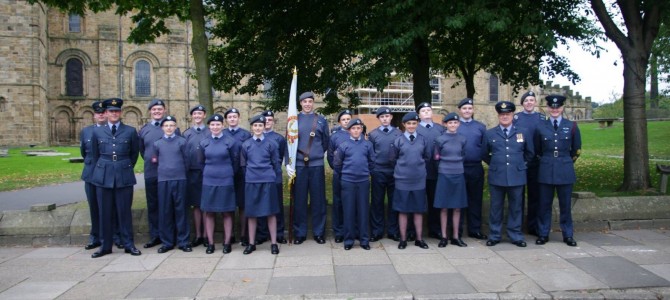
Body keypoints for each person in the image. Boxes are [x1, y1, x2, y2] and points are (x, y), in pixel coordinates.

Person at [89, 98, 142, 258]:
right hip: (103, 175)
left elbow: (134, 154)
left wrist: (122, 166)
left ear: (120, 112)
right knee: (104, 212)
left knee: (124, 211)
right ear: (106, 113)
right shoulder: (97, 131)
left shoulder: (130, 131)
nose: (114, 114)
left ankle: (128, 244)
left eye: (117, 111)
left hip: (123, 174)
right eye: (111, 111)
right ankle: (105, 246)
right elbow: (94, 154)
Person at [482, 101, 534, 248]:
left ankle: (516, 235)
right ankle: (494, 235)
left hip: (516, 175)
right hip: (497, 176)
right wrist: (495, 164)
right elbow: (484, 154)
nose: (505, 117)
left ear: (512, 115)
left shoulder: (522, 132)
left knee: (516, 207)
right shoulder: (490, 133)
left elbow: (530, 153)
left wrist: (521, 165)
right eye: (502, 114)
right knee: (495, 207)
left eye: (508, 114)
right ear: (498, 115)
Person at [535, 95, 582, 247]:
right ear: (548, 108)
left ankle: (568, 235)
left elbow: (576, 149)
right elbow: (537, 150)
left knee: (565, 205)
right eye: (552, 107)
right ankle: (543, 233)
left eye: (558, 107)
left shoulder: (572, 125)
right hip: (546, 169)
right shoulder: (541, 126)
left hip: (565, 169)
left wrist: (566, 161)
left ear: (562, 108)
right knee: (544, 205)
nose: (555, 110)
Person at [285, 91, 329, 244]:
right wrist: (289, 163)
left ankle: (319, 232)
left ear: (313, 103)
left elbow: (325, 142)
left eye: (310, 101)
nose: (308, 104)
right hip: (299, 165)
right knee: (300, 201)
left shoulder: (321, 120)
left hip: (316, 165)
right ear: (300, 104)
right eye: (305, 102)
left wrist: (315, 154)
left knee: (318, 200)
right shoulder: (293, 120)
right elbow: (288, 142)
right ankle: (300, 233)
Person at [80, 101, 122, 250]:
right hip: (91, 175)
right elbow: (84, 153)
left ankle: (116, 235)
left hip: (109, 174)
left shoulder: (113, 130)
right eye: (98, 113)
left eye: (104, 112)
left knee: (113, 206)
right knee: (94, 207)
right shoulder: (86, 131)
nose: (101, 115)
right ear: (94, 115)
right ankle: (95, 236)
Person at [139, 98, 179, 249]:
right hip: (152, 173)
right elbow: (143, 151)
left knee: (170, 205)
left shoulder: (172, 128)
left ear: (164, 111)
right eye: (154, 109)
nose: (157, 111)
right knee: (153, 205)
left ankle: (171, 235)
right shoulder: (144, 130)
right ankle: (155, 236)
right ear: (150, 111)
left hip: (170, 174)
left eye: (160, 109)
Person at [199, 114, 240, 254]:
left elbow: (235, 161)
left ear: (223, 125)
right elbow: (201, 162)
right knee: (209, 212)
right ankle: (210, 243)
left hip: (226, 180)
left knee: (227, 212)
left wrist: (227, 173)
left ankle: (227, 242)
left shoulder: (230, 142)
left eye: (218, 124)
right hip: (209, 181)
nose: (215, 127)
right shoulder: (204, 142)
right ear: (209, 126)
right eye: (212, 124)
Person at [240, 115, 281, 255]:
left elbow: (276, 163)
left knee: (271, 212)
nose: (258, 128)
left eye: (260, 126)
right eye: (255, 126)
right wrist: (252, 176)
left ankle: (274, 243)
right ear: (252, 127)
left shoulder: (271, 144)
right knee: (251, 213)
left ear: (264, 127)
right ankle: (251, 243)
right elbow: (243, 165)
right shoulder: (246, 145)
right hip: (252, 181)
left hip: (267, 180)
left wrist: (271, 177)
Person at [150, 115, 192, 253]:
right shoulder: (157, 143)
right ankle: (167, 242)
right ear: (162, 128)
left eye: (172, 125)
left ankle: (183, 241)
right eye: (166, 125)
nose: (169, 128)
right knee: (165, 211)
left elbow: (187, 161)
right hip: (164, 181)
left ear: (175, 127)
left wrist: (180, 174)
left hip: (180, 179)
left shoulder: (182, 142)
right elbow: (155, 161)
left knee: (181, 211)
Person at [390, 112, 431, 250]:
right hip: (402, 180)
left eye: (414, 123)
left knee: (418, 210)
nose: (411, 126)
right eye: (409, 123)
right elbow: (393, 159)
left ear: (417, 124)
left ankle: (419, 239)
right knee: (403, 210)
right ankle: (403, 239)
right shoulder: (398, 140)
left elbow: (427, 156)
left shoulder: (423, 140)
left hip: (418, 180)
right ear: (404, 125)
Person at [333, 118, 376, 250]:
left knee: (363, 210)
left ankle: (364, 240)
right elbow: (337, 164)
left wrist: (365, 173)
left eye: (358, 128)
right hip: (348, 182)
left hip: (363, 181)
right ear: (349, 130)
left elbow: (372, 162)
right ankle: (349, 240)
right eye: (353, 128)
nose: (356, 131)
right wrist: (347, 175)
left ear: (361, 129)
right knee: (348, 211)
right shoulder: (344, 145)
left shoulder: (368, 145)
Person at [433, 112, 468, 247]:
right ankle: (444, 236)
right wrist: (444, 169)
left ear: (458, 124)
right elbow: (436, 158)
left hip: (458, 174)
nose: (453, 125)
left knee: (457, 207)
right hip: (444, 174)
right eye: (450, 123)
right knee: (443, 207)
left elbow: (463, 155)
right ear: (445, 124)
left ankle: (455, 236)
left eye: (455, 122)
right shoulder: (440, 139)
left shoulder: (462, 139)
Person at [368, 106, 402, 242]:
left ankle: (393, 231)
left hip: (394, 172)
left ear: (391, 117)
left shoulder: (399, 134)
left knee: (394, 202)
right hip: (378, 172)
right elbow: (370, 154)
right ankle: (377, 231)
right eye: (382, 117)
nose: (385, 119)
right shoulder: (373, 134)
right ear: (379, 119)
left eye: (387, 116)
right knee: (377, 202)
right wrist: (373, 169)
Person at [456, 98, 488, 240]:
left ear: (473, 110)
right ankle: (457, 230)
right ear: (460, 111)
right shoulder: (454, 126)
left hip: (475, 167)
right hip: (458, 168)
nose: (467, 111)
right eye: (464, 108)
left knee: (475, 200)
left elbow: (485, 147)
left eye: (469, 108)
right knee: (459, 200)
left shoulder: (480, 127)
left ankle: (475, 229)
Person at [513, 91, 545, 236]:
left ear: (535, 102)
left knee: (535, 195)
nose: (529, 102)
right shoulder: (516, 118)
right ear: (522, 103)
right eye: (526, 100)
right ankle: (517, 226)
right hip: (520, 161)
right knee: (518, 196)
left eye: (532, 100)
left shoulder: (542, 118)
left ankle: (533, 226)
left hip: (536, 162)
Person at [255, 110, 288, 245]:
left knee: (276, 205)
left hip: (274, 176)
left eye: (270, 119)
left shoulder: (279, 139)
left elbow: (280, 158)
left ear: (273, 121)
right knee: (261, 204)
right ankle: (262, 233)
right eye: (265, 120)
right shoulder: (256, 138)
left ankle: (279, 233)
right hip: (260, 177)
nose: (267, 122)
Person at [222, 107, 252, 246]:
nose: (232, 119)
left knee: (243, 204)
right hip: (226, 174)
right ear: (226, 120)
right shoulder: (221, 134)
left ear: (239, 118)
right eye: (230, 117)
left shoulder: (245, 134)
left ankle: (244, 234)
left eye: (235, 116)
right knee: (228, 205)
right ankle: (230, 235)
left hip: (241, 173)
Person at [415, 102, 444, 240]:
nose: (426, 112)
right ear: (419, 115)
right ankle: (415, 230)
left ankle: (435, 229)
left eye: (428, 110)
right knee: (418, 201)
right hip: (419, 172)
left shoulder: (440, 129)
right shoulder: (415, 129)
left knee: (434, 201)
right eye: (423, 111)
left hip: (435, 171)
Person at [182, 104, 210, 248]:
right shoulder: (186, 134)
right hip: (192, 173)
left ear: (204, 115)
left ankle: (207, 234)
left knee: (206, 205)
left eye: (200, 113)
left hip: (207, 173)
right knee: (196, 205)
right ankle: (198, 235)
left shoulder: (210, 132)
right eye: (195, 114)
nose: (198, 116)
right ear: (192, 116)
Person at [327, 109, 352, 243]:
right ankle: (339, 231)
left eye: (348, 119)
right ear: (339, 122)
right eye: (343, 119)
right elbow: (331, 156)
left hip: (354, 176)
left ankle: (353, 229)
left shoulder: (357, 133)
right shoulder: (334, 137)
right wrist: (338, 169)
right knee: (338, 202)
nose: (346, 121)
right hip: (340, 174)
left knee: (353, 203)